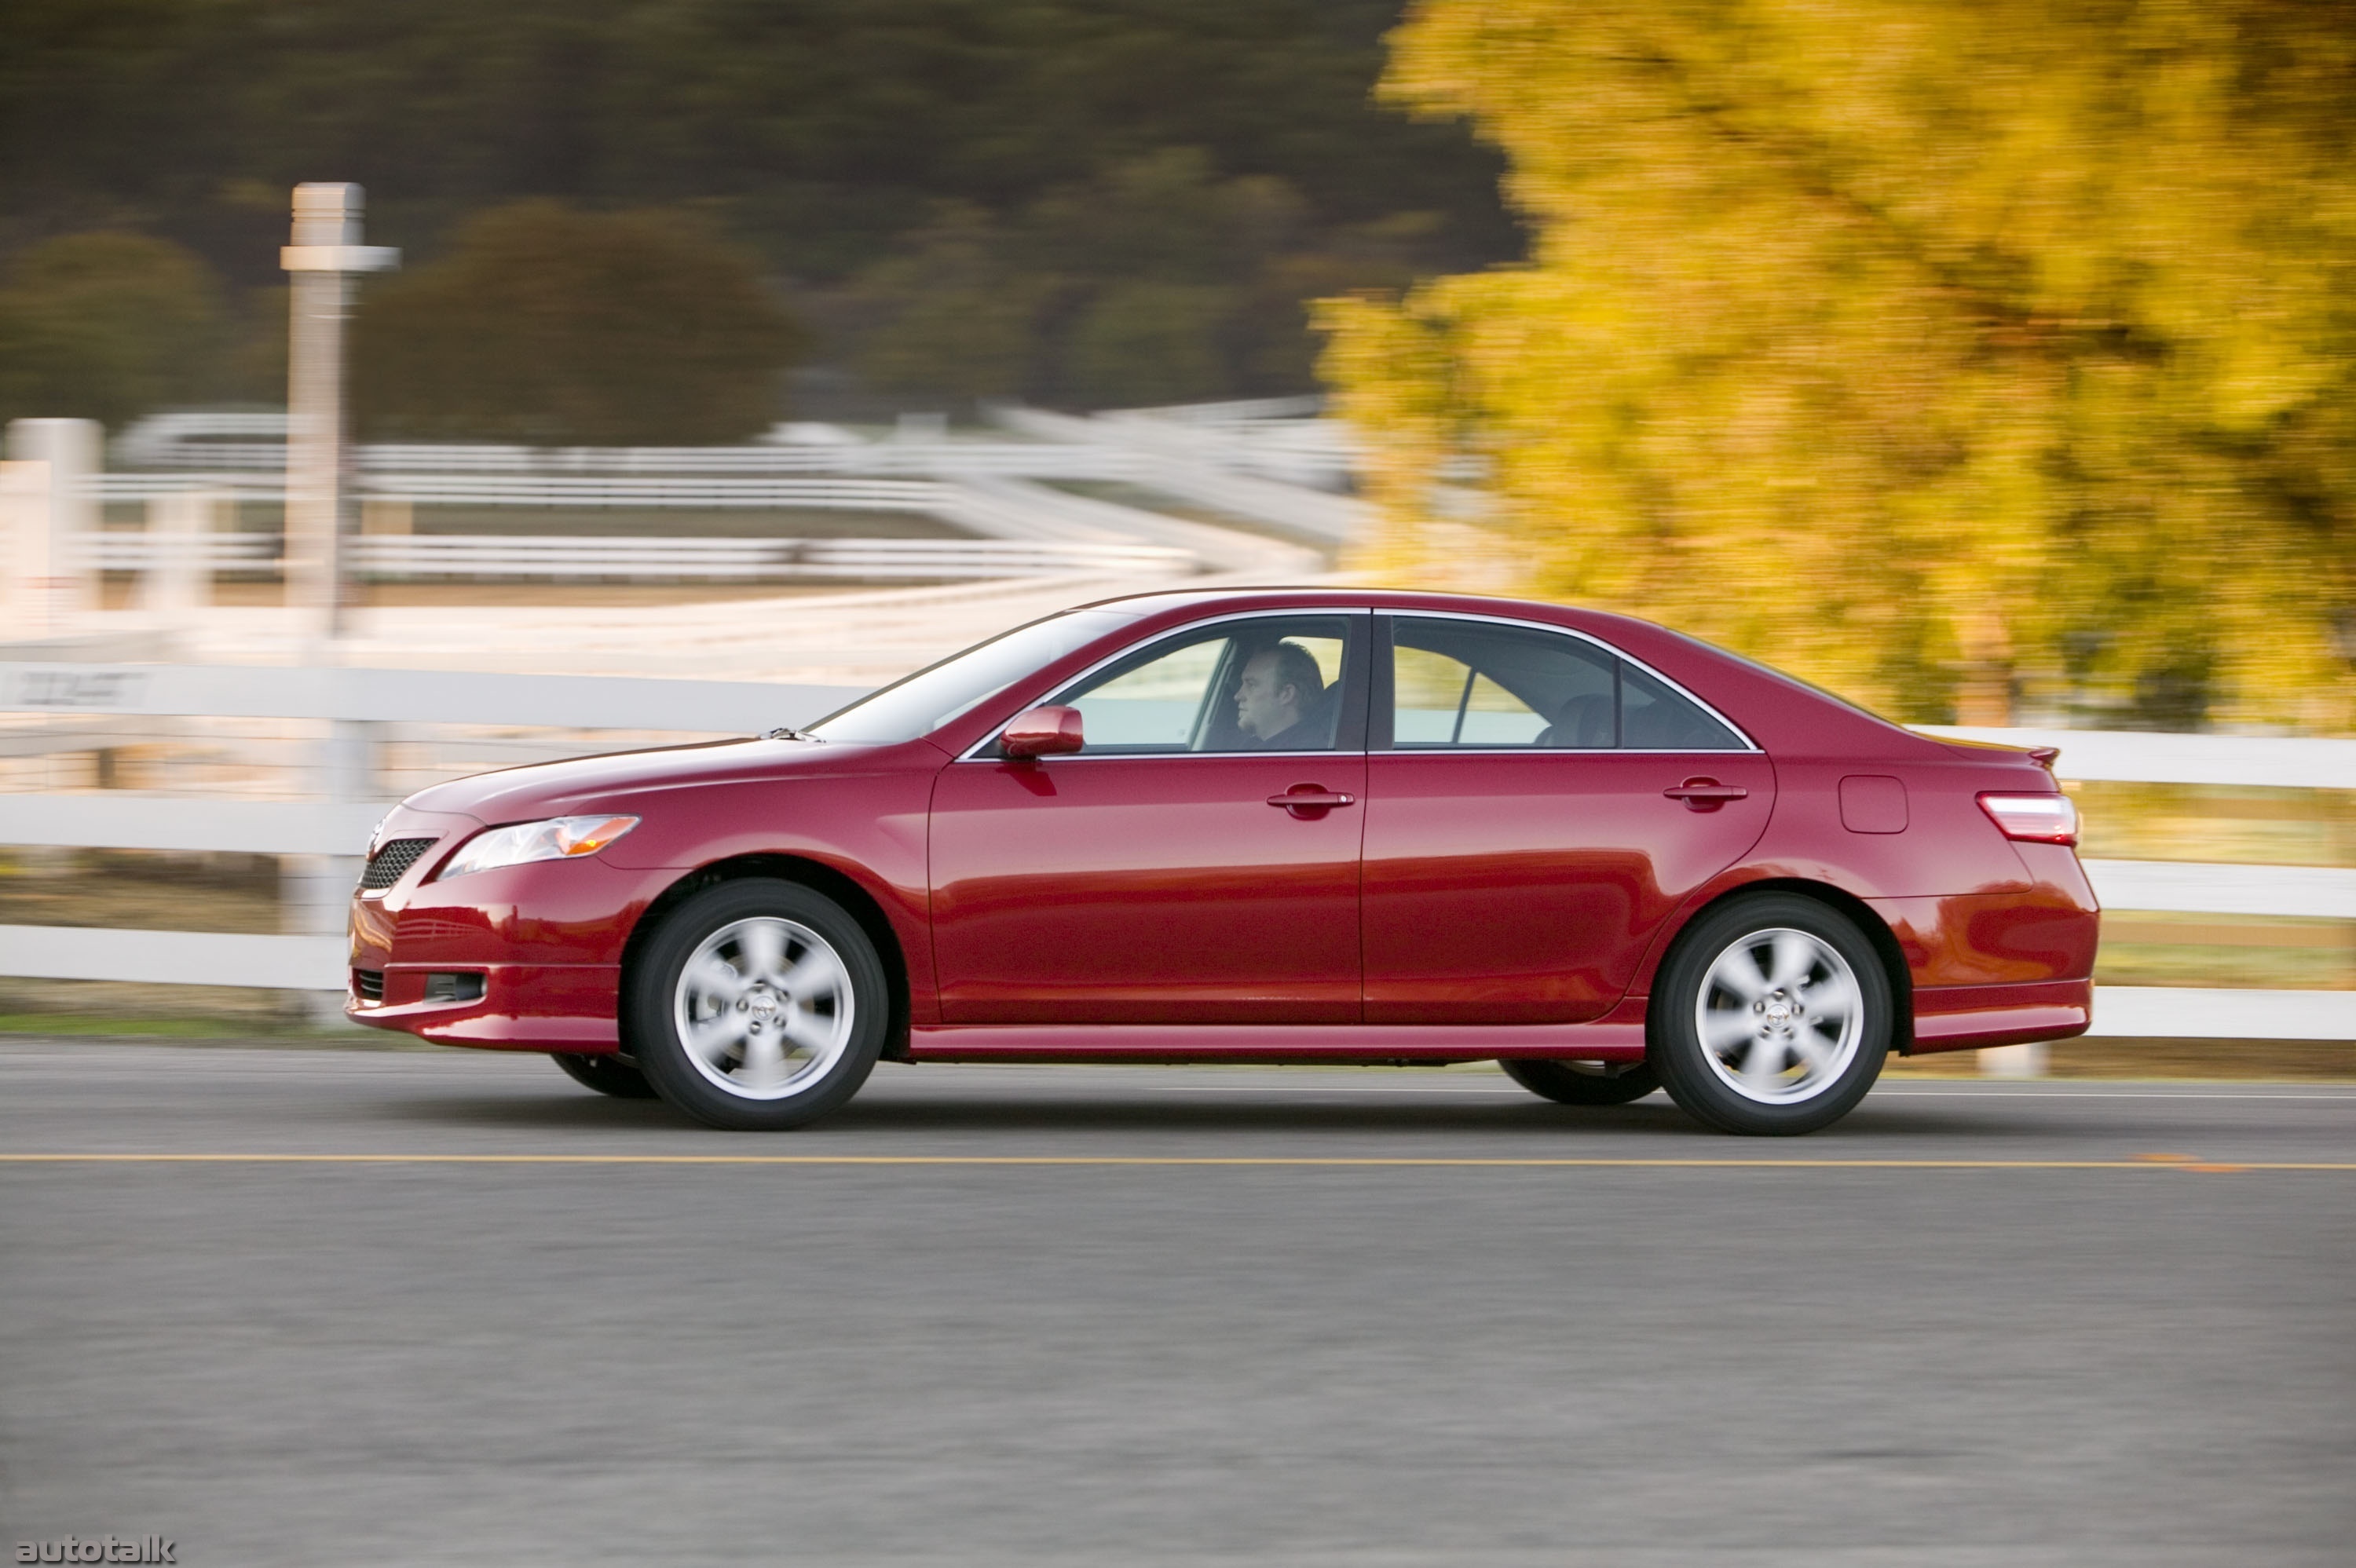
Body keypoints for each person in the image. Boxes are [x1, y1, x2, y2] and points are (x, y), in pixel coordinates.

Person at [1234, 640, 1326, 747]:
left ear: (1286, 694)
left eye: (1251, 685)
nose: (1237, 696)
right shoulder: (1254, 745)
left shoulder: (1302, 752)